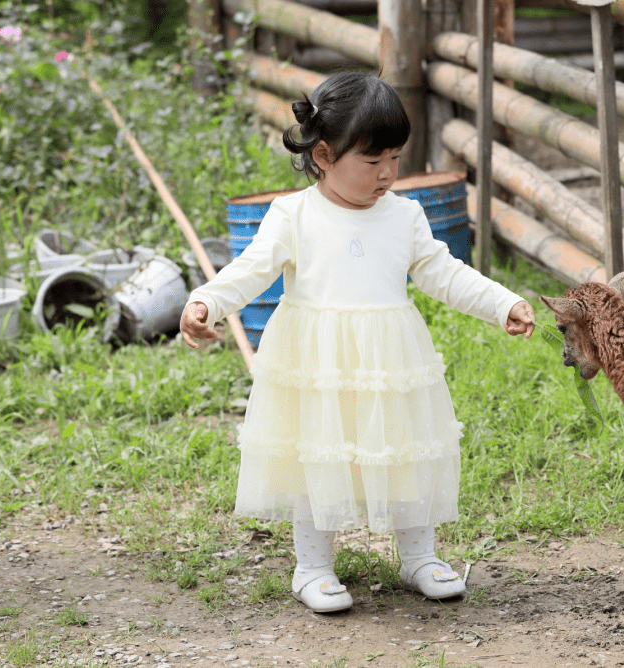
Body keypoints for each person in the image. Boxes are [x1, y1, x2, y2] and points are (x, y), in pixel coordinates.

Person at [180, 70, 535, 613]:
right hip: (317, 363)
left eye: (394, 158)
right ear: (323, 154)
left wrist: (501, 302)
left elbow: (444, 273)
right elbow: (251, 270)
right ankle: (313, 567)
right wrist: (206, 303)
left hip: (389, 360)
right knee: (316, 454)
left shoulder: (404, 215)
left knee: (403, 450)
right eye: (372, 162)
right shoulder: (293, 215)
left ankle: (418, 555)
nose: (388, 174)